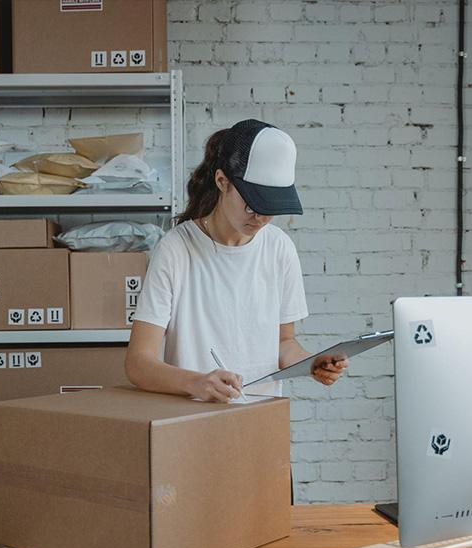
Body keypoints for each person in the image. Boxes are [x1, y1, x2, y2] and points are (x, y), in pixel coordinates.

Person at [125, 119, 348, 402]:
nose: (261, 218)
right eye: (253, 203)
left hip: (260, 419)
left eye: (271, 208)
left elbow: (283, 342)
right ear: (222, 182)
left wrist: (312, 363)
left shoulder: (279, 248)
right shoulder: (176, 249)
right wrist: (197, 383)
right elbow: (137, 363)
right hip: (191, 422)